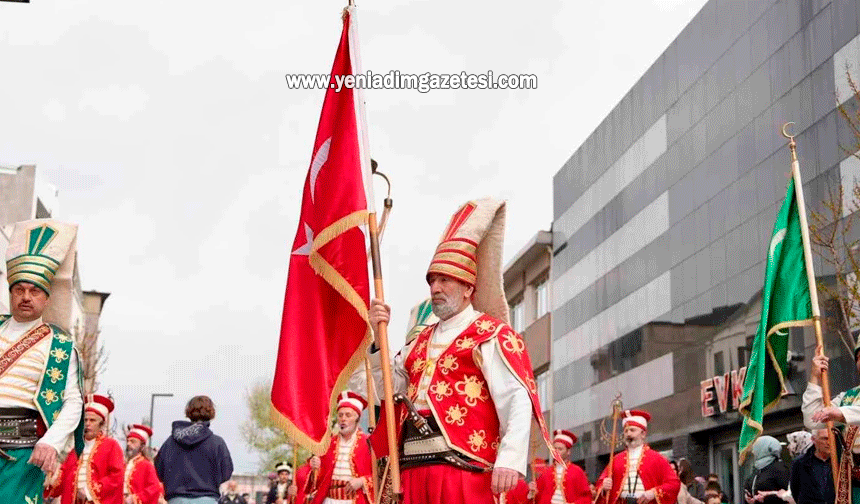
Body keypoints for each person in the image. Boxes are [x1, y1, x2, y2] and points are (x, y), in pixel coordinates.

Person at [365, 198, 558, 504]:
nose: (435, 288)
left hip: (464, 471)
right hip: (413, 469)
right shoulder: (419, 341)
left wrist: (510, 458)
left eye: (444, 280)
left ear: (469, 288)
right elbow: (386, 392)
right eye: (432, 281)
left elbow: (516, 398)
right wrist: (378, 339)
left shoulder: (491, 334)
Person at [0, 219, 84, 504]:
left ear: (46, 298)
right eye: (19, 289)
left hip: (22, 453)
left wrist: (51, 441)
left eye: (34, 291)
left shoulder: (60, 345)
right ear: (10, 292)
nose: (25, 297)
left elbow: (73, 402)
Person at [803, 343, 860, 504]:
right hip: (853, 486)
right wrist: (815, 378)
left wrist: (842, 414)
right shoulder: (848, 397)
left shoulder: (846, 407)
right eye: (859, 357)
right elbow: (811, 418)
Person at [47, 394, 126, 504]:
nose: (88, 424)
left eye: (92, 420)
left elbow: (116, 476)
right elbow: (62, 480)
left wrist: (88, 492)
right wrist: (49, 480)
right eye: (85, 420)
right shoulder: (75, 451)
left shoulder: (111, 446)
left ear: (101, 424)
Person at [155, 395, 233, 504]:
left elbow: (159, 471)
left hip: (176, 499)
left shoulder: (170, 442)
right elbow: (226, 472)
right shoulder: (217, 443)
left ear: (188, 412)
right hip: (207, 498)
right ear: (211, 413)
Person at [595, 410, 680, 504]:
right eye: (626, 430)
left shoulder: (657, 458)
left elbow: (674, 484)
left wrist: (653, 492)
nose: (628, 434)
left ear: (643, 434)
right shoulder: (616, 459)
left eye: (632, 430)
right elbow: (600, 484)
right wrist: (604, 487)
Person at [307, 391, 374, 504]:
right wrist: (316, 468)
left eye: (348, 415)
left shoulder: (369, 442)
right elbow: (318, 482)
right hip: (329, 500)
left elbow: (382, 475)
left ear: (357, 419)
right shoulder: (327, 443)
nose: (343, 419)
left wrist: (362, 481)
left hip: (355, 500)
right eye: (340, 415)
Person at [529, 430, 590, 504]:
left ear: (568, 452)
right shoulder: (545, 472)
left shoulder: (577, 471)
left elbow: (587, 498)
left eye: (560, 449)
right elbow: (537, 499)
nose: (556, 452)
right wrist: (531, 493)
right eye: (555, 448)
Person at [789, 428, 835, 504]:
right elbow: (795, 490)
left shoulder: (840, 461)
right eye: (825, 439)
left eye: (832, 438)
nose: (829, 442)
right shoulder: (800, 463)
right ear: (813, 439)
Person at [742, 436, 790, 504]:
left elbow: (789, 495)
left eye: (756, 448)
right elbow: (750, 487)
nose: (753, 451)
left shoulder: (780, 468)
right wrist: (748, 497)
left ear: (763, 449)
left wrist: (766, 499)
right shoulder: (758, 469)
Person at [125, 424, 164, 504]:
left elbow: (154, 488)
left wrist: (134, 498)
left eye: (133, 441)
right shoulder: (124, 464)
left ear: (142, 446)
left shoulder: (146, 465)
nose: (128, 444)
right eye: (128, 441)